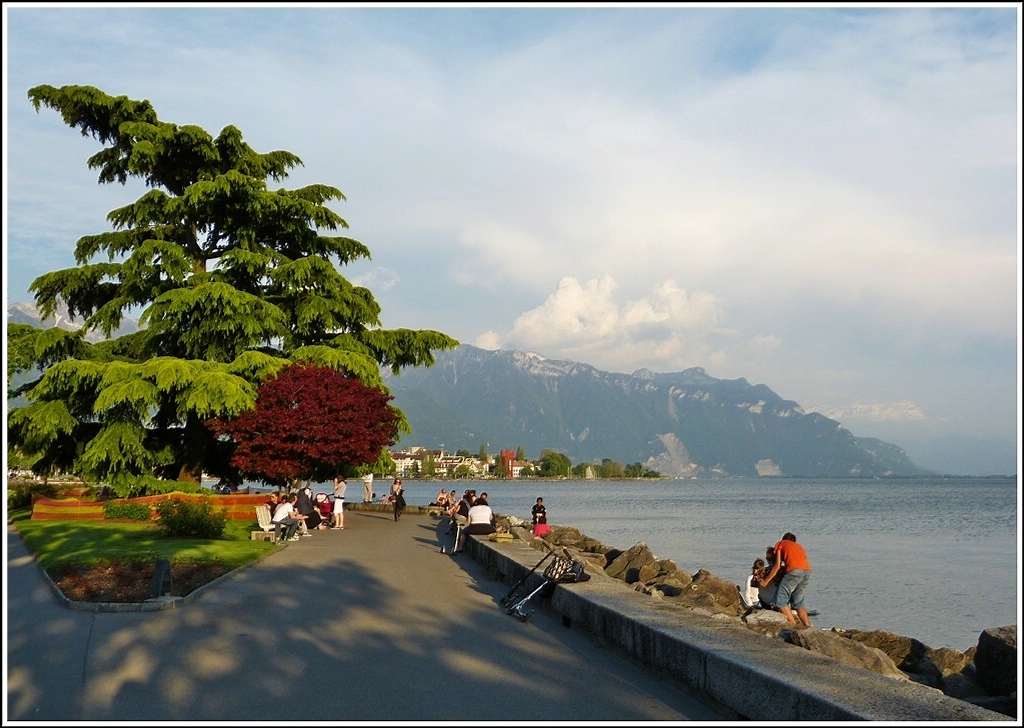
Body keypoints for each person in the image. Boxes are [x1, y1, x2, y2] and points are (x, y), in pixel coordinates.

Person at [761, 532, 812, 627]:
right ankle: (808, 626)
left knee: (780, 601)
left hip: (794, 572)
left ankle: (794, 626)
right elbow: (800, 562)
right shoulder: (799, 547)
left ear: (783, 539)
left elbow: (777, 566)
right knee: (798, 602)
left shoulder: (781, 544)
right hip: (807, 572)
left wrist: (765, 581)